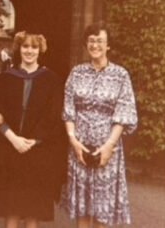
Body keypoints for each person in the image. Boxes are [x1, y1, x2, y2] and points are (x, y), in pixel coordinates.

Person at [61, 22, 138, 228]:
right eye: (91, 41)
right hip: (80, 147)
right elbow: (68, 110)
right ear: (86, 44)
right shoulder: (76, 73)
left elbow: (124, 112)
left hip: (108, 149)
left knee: (102, 208)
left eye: (100, 41)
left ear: (108, 45)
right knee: (83, 208)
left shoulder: (120, 75)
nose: (95, 45)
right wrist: (73, 141)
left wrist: (109, 146)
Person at [0, 31, 67, 228]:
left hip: (38, 151)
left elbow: (53, 116)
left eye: (34, 47)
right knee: (11, 208)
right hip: (9, 148)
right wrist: (13, 138)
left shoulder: (52, 81)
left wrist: (35, 140)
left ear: (40, 50)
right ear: (19, 49)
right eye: (25, 46)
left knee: (34, 210)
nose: (29, 51)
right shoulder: (4, 79)